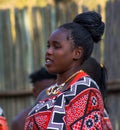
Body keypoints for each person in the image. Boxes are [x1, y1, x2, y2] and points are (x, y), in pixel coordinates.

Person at [24, 11, 113, 130]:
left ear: (77, 53)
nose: (49, 51)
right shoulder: (45, 93)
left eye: (56, 46)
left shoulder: (86, 90)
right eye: (48, 46)